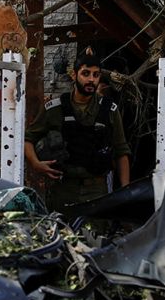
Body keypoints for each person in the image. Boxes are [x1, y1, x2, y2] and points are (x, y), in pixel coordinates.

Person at [24, 46, 131, 210]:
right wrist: (36, 163)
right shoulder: (55, 109)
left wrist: (125, 191)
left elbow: (121, 151)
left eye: (96, 75)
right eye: (86, 73)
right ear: (74, 75)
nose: (91, 80)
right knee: (62, 232)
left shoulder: (109, 110)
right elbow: (28, 139)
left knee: (96, 233)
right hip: (63, 188)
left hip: (97, 190)